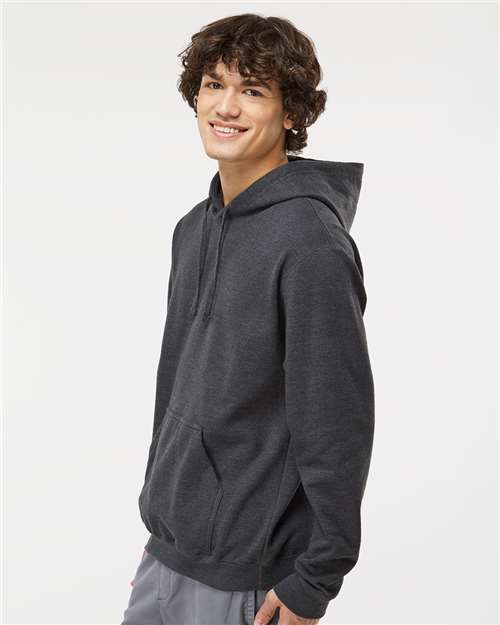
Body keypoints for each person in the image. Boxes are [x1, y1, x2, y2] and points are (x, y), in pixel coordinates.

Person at [121, 12, 375, 625]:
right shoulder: (193, 228)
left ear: (291, 114)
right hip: (168, 553)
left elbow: (337, 420)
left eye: (253, 90)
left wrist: (315, 578)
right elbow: (176, 387)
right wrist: (163, 519)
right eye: (214, 84)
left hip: (248, 575)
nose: (227, 107)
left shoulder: (311, 243)